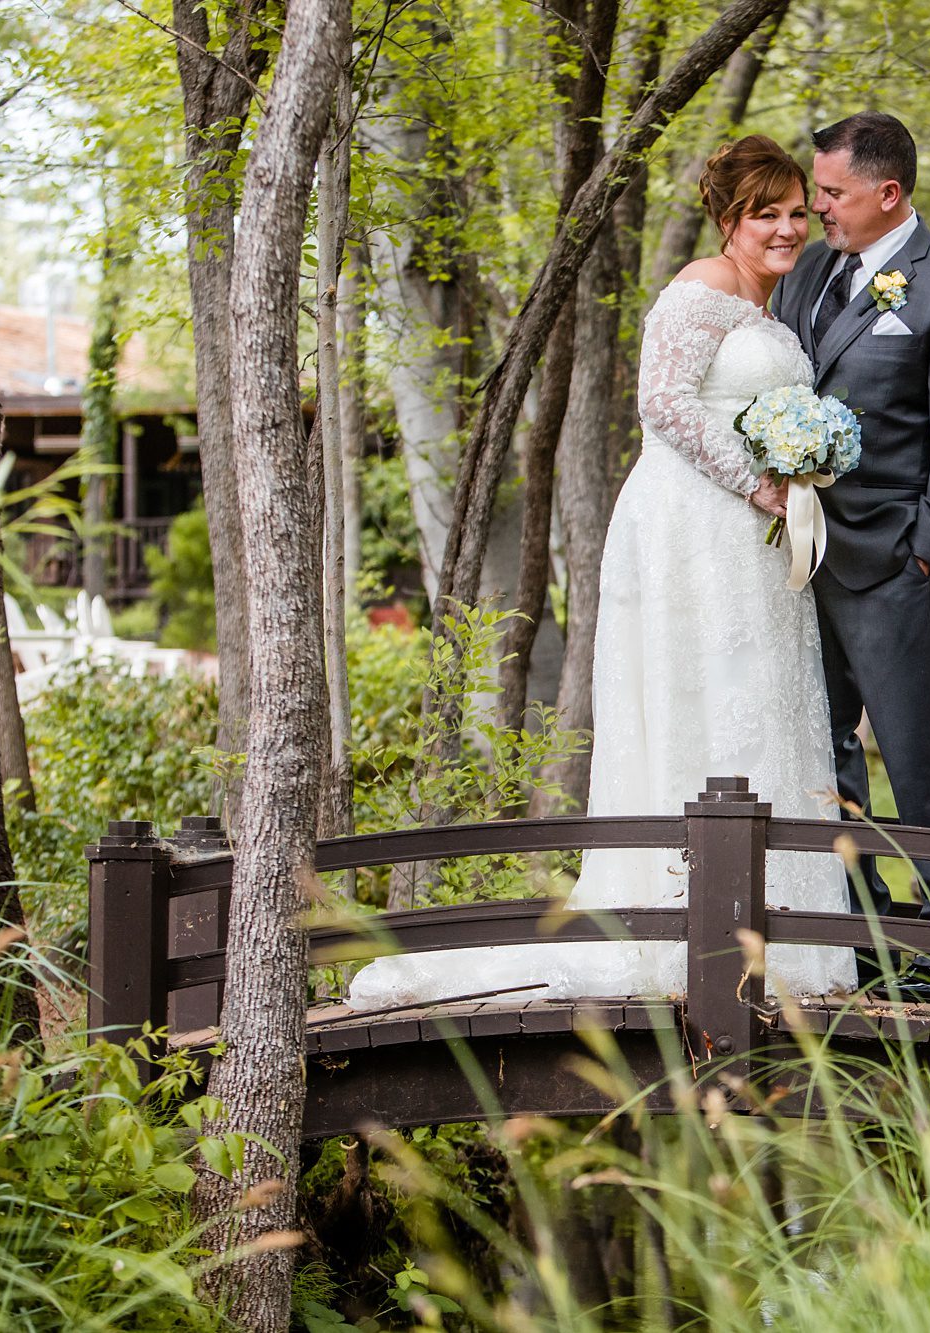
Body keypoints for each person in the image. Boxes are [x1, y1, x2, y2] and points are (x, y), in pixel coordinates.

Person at [349, 136, 855, 1010]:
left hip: (750, 539)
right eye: (764, 213)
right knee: (698, 698)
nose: (785, 227)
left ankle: (787, 939)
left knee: (760, 698)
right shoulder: (700, 289)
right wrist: (758, 480)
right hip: (692, 526)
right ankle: (681, 927)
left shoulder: (773, 313)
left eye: (795, 210)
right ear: (728, 220)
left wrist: (797, 469)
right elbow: (661, 403)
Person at [771, 111, 930, 1000]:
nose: (816, 208)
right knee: (818, 751)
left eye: (830, 193)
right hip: (802, 561)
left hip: (892, 567)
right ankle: (860, 932)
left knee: (919, 756)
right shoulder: (813, 276)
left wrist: (928, 558)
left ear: (887, 193)